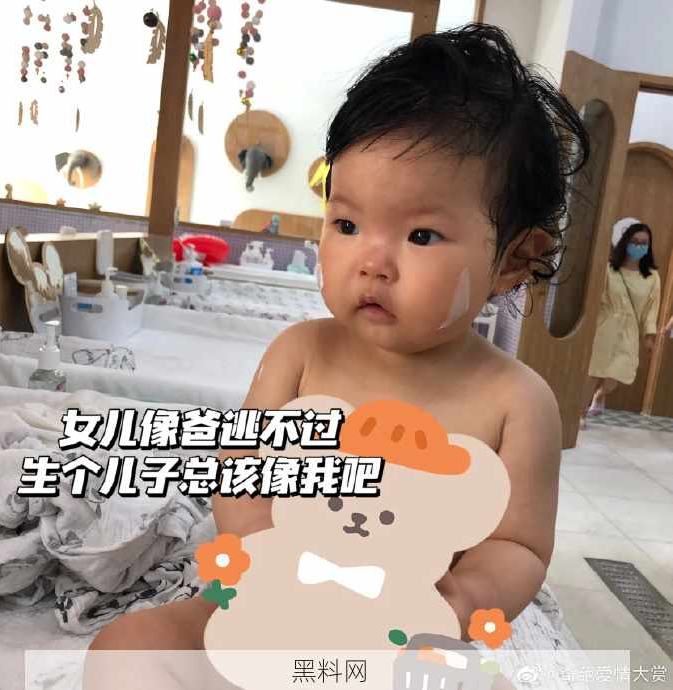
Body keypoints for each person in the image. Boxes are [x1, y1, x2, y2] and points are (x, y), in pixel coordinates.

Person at [86, 23, 589, 675]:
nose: (371, 261)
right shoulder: (299, 353)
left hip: (405, 630)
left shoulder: (517, 402)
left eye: (422, 235)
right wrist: (263, 548)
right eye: (347, 224)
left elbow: (518, 545)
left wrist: (464, 597)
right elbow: (241, 471)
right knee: (129, 646)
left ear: (515, 260)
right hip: (271, 599)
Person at [582, 219, 661, 424]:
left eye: (644, 243)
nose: (639, 246)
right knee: (594, 371)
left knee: (616, 374)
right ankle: (579, 414)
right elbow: (595, 298)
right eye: (635, 241)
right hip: (605, 326)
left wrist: (649, 335)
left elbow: (652, 308)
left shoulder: (652, 276)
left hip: (630, 331)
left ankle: (600, 394)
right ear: (625, 242)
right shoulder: (609, 269)